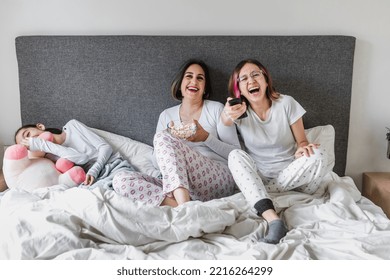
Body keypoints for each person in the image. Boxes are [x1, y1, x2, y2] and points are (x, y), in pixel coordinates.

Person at [222, 59, 329, 244]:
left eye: (256, 74)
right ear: (238, 87)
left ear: (265, 79)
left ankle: (259, 194)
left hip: (293, 175)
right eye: (244, 78)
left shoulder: (286, 103)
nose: (251, 81)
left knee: (319, 155)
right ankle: (274, 220)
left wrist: (302, 150)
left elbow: (302, 141)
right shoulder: (238, 112)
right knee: (234, 156)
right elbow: (224, 124)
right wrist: (227, 113)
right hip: (261, 175)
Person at [115, 59, 241, 207]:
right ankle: (186, 205)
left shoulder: (216, 109)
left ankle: (184, 209)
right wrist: (172, 141)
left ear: (205, 88)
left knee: (162, 137)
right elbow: (158, 162)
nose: (194, 81)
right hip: (183, 185)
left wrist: (206, 137)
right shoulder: (166, 116)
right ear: (180, 85)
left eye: (200, 78)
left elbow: (237, 154)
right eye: (189, 76)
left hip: (218, 179)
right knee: (121, 180)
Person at [15, 119, 136, 190]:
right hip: (94, 182)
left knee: (123, 184)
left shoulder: (72, 126)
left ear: (40, 126)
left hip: (112, 166)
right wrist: (44, 146)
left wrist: (95, 169)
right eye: (26, 144)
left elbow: (105, 148)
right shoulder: (50, 157)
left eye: (27, 135)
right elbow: (80, 159)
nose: (30, 140)